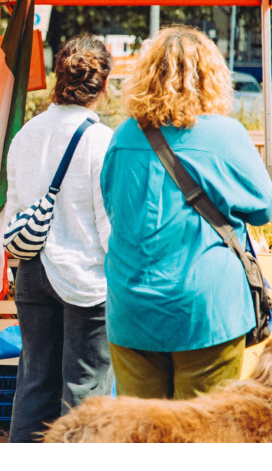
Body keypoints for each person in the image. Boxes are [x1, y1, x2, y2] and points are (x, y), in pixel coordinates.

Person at [101, 25, 272, 400]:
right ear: (212, 77)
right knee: (203, 435)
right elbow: (262, 208)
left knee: (139, 435)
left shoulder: (123, 137)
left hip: (131, 306)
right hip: (206, 309)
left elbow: (113, 207)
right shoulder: (225, 134)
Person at [4, 35, 116, 443]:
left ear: (57, 76)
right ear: (103, 85)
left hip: (32, 270)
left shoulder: (27, 135)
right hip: (86, 278)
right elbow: (109, 224)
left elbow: (14, 208)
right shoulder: (101, 141)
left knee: (34, 384)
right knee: (84, 394)